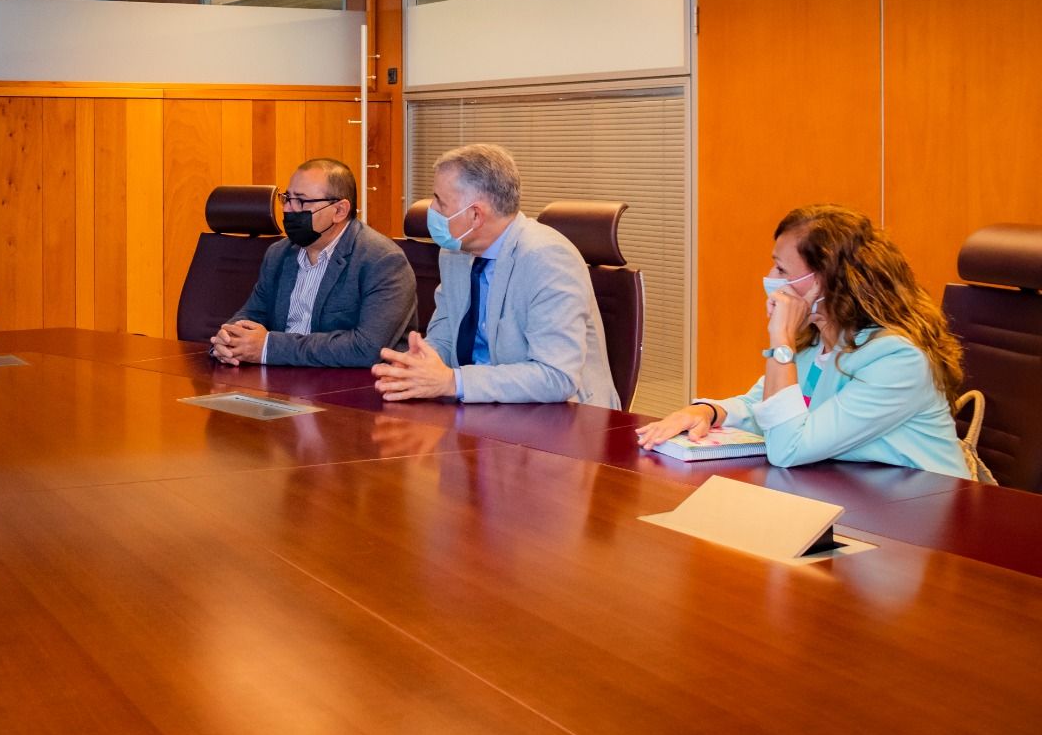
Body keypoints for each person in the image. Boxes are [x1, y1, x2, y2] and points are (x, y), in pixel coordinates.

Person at [637, 204, 969, 478]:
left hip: (918, 524)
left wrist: (781, 340)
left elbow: (788, 447)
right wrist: (710, 411)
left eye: (781, 269)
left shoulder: (897, 359)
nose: (770, 278)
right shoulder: (820, 339)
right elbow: (765, 408)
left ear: (826, 279)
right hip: (851, 496)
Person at [371, 143, 619, 407]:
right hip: (484, 409)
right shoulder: (455, 252)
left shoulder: (548, 259)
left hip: (564, 419)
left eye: (441, 202)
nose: (431, 209)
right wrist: (418, 365)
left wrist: (454, 382)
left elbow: (556, 376)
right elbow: (445, 334)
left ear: (476, 215)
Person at [211, 159, 417, 368]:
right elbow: (253, 314)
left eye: (301, 201)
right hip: (281, 381)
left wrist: (269, 347)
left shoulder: (382, 261)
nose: (289, 209)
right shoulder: (278, 254)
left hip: (348, 388)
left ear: (339, 211)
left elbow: (366, 348)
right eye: (287, 198)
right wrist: (228, 340)